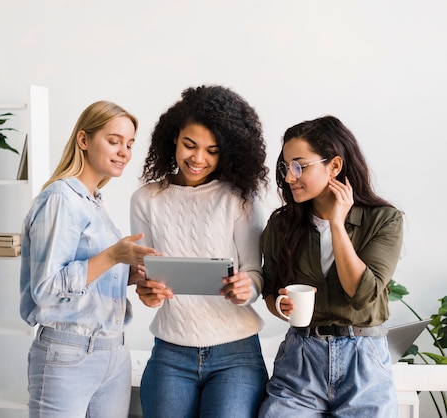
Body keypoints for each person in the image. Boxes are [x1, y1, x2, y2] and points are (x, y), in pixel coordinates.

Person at [131, 85, 270, 418]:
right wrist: (145, 290)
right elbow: (142, 271)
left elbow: (255, 271)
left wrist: (246, 288)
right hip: (171, 352)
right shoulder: (145, 199)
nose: (198, 159)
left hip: (236, 354)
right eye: (189, 145)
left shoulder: (239, 199)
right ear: (174, 139)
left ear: (228, 152)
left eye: (212, 150)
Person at [258, 116, 404, 417]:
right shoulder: (281, 224)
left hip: (363, 361)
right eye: (285, 167)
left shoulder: (384, 220)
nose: (289, 177)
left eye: (300, 166)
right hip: (300, 359)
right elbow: (271, 292)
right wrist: (281, 305)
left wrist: (337, 224)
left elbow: (361, 294)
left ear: (334, 166)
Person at [19, 100, 157, 418]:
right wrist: (113, 256)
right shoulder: (59, 199)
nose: (124, 151)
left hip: (113, 352)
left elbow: (90, 277)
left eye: (130, 144)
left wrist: (131, 275)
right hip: (67, 354)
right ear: (84, 140)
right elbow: (47, 288)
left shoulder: (94, 202)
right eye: (114, 140)